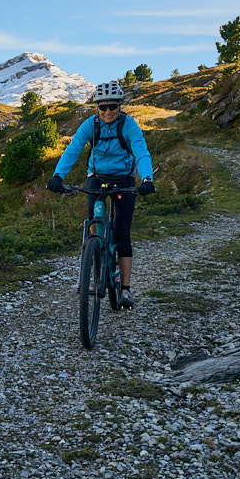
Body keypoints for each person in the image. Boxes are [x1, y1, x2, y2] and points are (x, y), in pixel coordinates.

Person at [47, 81, 155, 310]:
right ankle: (94, 252)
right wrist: (58, 175)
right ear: (97, 107)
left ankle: (125, 289)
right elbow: (73, 150)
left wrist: (146, 178)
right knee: (94, 217)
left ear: (119, 106)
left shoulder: (128, 125)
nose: (107, 112)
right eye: (103, 107)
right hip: (97, 177)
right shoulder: (90, 125)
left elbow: (141, 151)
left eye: (112, 107)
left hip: (124, 179)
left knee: (123, 234)